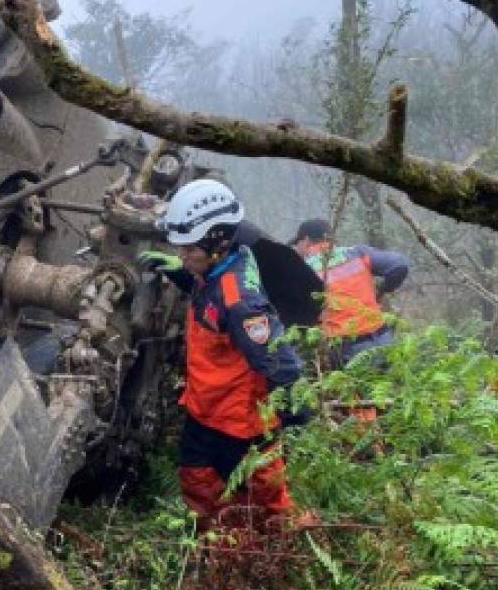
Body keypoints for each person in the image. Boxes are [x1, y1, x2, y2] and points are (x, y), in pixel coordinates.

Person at [139, 179, 304, 527]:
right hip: (204, 405)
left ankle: (268, 544)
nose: (183, 256)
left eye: (188, 251)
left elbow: (277, 358)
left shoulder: (240, 300)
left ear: (217, 240)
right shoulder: (217, 265)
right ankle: (213, 539)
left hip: (237, 420)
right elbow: (207, 294)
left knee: (261, 494)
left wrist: (293, 408)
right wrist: (179, 273)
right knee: (196, 477)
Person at [291, 219, 409, 366]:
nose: (297, 249)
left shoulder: (301, 270)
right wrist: (383, 289)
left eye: (297, 243)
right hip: (383, 339)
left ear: (306, 240)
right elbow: (399, 264)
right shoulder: (357, 253)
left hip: (347, 350)